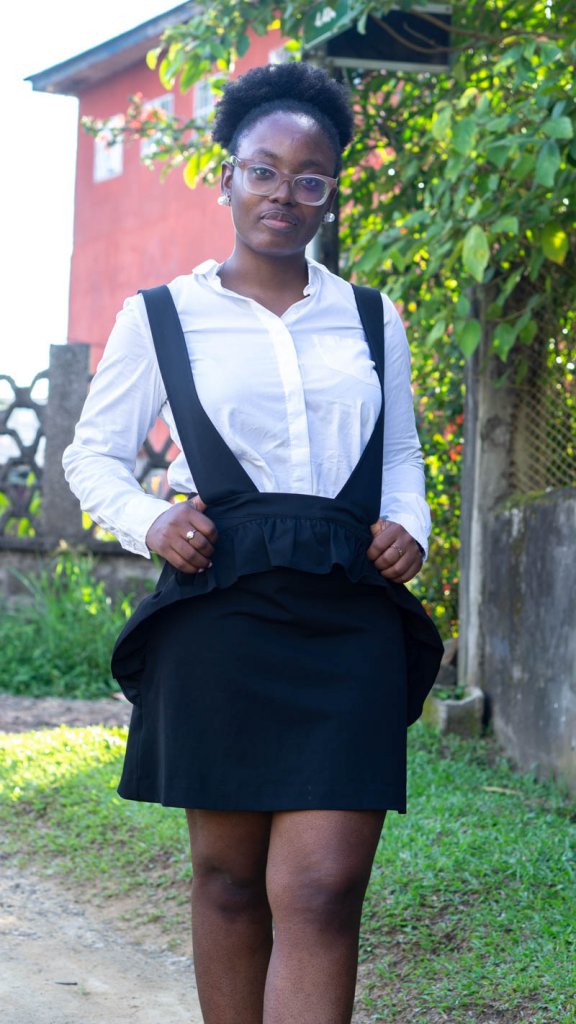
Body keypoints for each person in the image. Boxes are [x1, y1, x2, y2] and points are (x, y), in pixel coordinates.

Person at [63, 61, 442, 1024]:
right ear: (225, 175)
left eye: (310, 178)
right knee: (230, 884)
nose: (284, 194)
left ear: (330, 192)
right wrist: (152, 519)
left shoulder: (372, 316)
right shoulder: (161, 316)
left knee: (323, 888)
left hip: (349, 612)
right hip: (221, 609)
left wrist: (412, 525)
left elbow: (401, 453)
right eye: (263, 170)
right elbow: (91, 456)